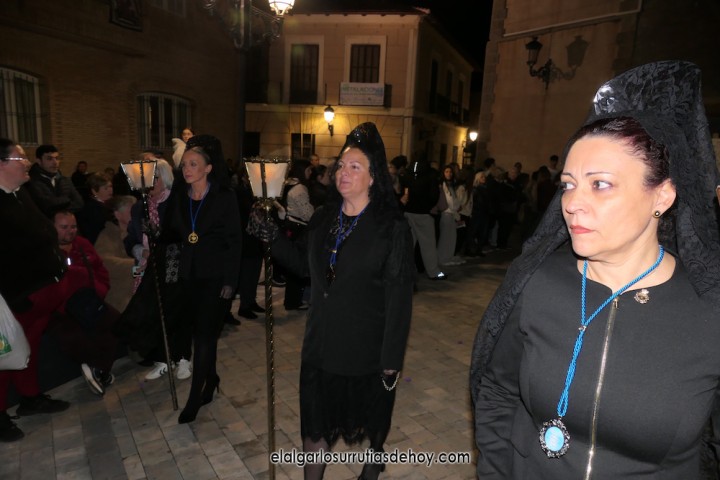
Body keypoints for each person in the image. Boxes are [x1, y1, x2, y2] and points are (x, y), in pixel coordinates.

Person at [471, 61, 720, 478]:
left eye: (600, 183)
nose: (572, 203)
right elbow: (498, 390)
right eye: (568, 184)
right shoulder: (538, 282)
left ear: (662, 195)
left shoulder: (709, 309)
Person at [267, 122, 415, 480]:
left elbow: (399, 298)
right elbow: (302, 266)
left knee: (371, 418)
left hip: (365, 350)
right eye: (341, 165)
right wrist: (271, 236)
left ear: (373, 177)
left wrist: (391, 359)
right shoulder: (323, 219)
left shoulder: (391, 229)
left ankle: (374, 460)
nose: (343, 173)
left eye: (355, 167)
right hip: (320, 345)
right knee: (314, 426)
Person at [160, 134, 242, 424]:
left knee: (204, 336)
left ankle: (194, 397)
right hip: (188, 276)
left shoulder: (224, 196)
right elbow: (170, 233)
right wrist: (152, 227)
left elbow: (234, 241)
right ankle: (212, 377)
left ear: (208, 168)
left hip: (216, 277)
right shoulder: (180, 197)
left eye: (193, 164)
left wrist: (231, 280)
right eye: (184, 164)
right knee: (201, 333)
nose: (187, 169)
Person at [0, 139, 69, 442]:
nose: (27, 162)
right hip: (17, 298)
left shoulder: (20, 193)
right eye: (21, 158)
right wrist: (14, 297)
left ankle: (30, 397)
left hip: (40, 292)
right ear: (1, 164)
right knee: (5, 355)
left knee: (30, 348)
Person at [117, 159, 191, 381]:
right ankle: (163, 359)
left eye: (154, 178)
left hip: (174, 263)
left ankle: (183, 357)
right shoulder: (140, 207)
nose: (150, 184)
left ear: (165, 178)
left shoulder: (177, 201)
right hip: (150, 267)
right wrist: (141, 250)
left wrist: (162, 239)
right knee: (155, 313)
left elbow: (184, 233)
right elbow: (130, 238)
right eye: (146, 179)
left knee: (177, 311)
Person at [50, 210, 119, 396]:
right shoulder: (46, 251)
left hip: (88, 302)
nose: (70, 231)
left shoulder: (82, 244)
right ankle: (97, 369)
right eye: (64, 227)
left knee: (115, 324)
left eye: (73, 227)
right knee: (71, 336)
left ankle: (99, 369)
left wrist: (100, 290)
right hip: (62, 308)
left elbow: (100, 270)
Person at [94, 195, 136, 312]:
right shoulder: (108, 235)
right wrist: (136, 264)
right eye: (131, 211)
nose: (136, 214)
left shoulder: (140, 231)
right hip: (122, 293)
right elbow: (105, 262)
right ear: (118, 215)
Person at [26, 144, 84, 217]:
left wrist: (58, 209)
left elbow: (79, 203)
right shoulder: (31, 182)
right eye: (49, 159)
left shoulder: (65, 180)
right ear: (39, 161)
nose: (55, 162)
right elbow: (46, 206)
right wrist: (67, 200)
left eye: (56, 158)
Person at [76, 173, 114, 244]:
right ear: (94, 191)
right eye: (106, 188)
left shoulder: (108, 204)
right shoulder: (92, 209)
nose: (110, 190)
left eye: (110, 186)